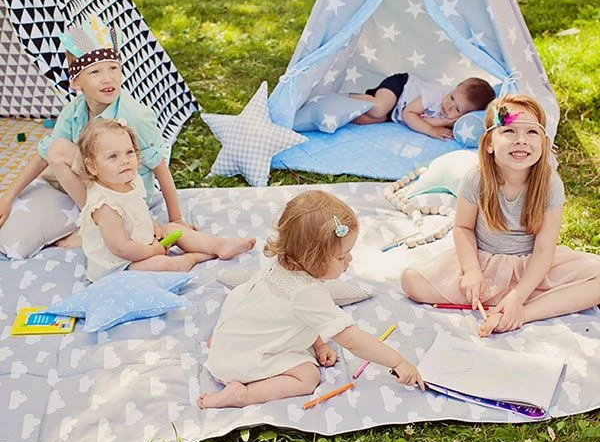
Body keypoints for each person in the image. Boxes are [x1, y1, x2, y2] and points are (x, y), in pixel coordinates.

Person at [198, 190, 424, 409]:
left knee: (248, 304)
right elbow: (353, 340)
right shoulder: (307, 293)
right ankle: (244, 394)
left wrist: (319, 344)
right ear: (313, 258)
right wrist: (397, 361)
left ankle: (227, 350)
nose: (349, 259)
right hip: (240, 364)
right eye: (341, 256)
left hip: (229, 341)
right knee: (307, 376)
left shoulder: (283, 262)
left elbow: (295, 316)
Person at [401, 93, 600, 337]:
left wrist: (518, 295)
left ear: (544, 142)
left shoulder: (550, 184)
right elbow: (463, 228)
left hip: (533, 267)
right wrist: (471, 271)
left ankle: (521, 311)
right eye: (509, 131)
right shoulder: (477, 178)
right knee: (412, 281)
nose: (521, 140)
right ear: (489, 143)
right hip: (485, 265)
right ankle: (524, 302)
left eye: (532, 132)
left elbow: (544, 250)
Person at [0, 16, 201, 247]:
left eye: (113, 68)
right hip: (96, 182)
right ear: (76, 83)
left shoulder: (135, 115)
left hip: (127, 192)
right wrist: (8, 197)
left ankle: (102, 225)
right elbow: (45, 154)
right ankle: (96, 219)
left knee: (62, 153)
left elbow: (160, 167)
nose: (108, 78)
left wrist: (176, 219)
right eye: (95, 72)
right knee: (56, 152)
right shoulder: (74, 111)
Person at [77, 118, 254, 281]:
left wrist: (152, 227)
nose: (125, 161)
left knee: (173, 229)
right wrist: (152, 251)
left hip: (141, 244)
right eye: (113, 156)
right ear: (92, 166)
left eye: (129, 152)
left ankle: (218, 245)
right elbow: (121, 248)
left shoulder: (128, 180)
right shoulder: (104, 206)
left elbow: (136, 210)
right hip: (119, 268)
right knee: (163, 264)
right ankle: (191, 258)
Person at [350, 74, 496, 140]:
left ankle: (342, 109)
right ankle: (348, 97)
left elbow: (419, 121)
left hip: (395, 113)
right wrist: (431, 130)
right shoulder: (436, 92)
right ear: (454, 88)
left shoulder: (453, 120)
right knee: (379, 108)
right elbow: (408, 114)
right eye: (452, 97)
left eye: (457, 109)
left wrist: (444, 122)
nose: (448, 106)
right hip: (400, 89)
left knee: (365, 120)